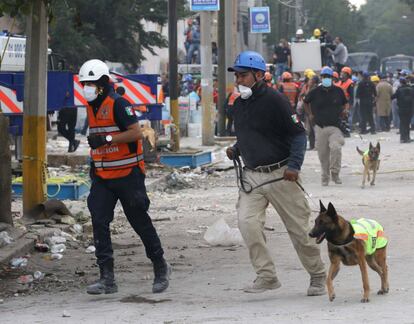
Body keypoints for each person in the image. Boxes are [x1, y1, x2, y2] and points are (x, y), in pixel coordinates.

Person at [226, 51, 326, 295]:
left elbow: (298, 134)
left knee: (300, 230)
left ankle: (318, 275)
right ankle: (267, 275)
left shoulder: (276, 100)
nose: (238, 80)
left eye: (243, 75)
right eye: (237, 75)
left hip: (281, 174)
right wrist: (237, 148)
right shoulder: (239, 104)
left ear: (259, 75)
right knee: (247, 224)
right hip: (252, 177)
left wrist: (294, 166)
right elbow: (252, 134)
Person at [78, 59, 171, 295]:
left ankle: (160, 266)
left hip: (128, 175)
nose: (87, 87)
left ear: (102, 83)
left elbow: (136, 133)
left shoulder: (119, 104)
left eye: (91, 84)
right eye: (84, 83)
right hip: (103, 176)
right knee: (99, 221)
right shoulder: (91, 106)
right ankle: (106, 278)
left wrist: (107, 140)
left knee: (139, 221)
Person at [304, 66, 347, 186]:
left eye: (328, 77)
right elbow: (305, 102)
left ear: (332, 78)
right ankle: (325, 177)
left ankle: (335, 173)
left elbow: (346, 103)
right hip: (320, 127)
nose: (326, 79)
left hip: (335, 127)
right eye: (324, 77)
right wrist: (310, 114)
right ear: (321, 78)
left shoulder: (338, 91)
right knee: (323, 155)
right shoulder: (315, 92)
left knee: (336, 147)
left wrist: (345, 111)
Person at [392, 77, 414, 143]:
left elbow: (392, 97)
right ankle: (407, 138)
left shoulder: (399, 90)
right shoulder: (412, 89)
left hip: (402, 109)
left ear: (401, 83)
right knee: (407, 123)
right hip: (410, 109)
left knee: (402, 123)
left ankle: (402, 138)